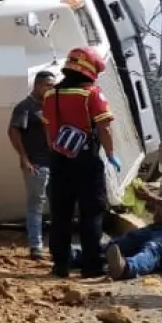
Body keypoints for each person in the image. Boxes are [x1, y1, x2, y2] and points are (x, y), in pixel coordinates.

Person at [41, 46, 122, 278]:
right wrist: (111, 154)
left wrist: (56, 152)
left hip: (59, 160)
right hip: (86, 162)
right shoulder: (91, 94)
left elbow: (48, 128)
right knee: (91, 214)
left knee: (61, 215)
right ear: (90, 69)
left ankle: (61, 265)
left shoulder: (50, 95)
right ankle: (91, 265)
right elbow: (104, 127)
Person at [8, 71, 57, 260]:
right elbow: (13, 132)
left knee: (57, 205)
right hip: (37, 163)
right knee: (36, 204)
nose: (50, 89)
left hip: (55, 164)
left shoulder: (51, 107)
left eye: (53, 86)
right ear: (37, 85)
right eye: (47, 85)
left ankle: (56, 245)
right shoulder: (25, 107)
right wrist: (24, 158)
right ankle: (36, 245)